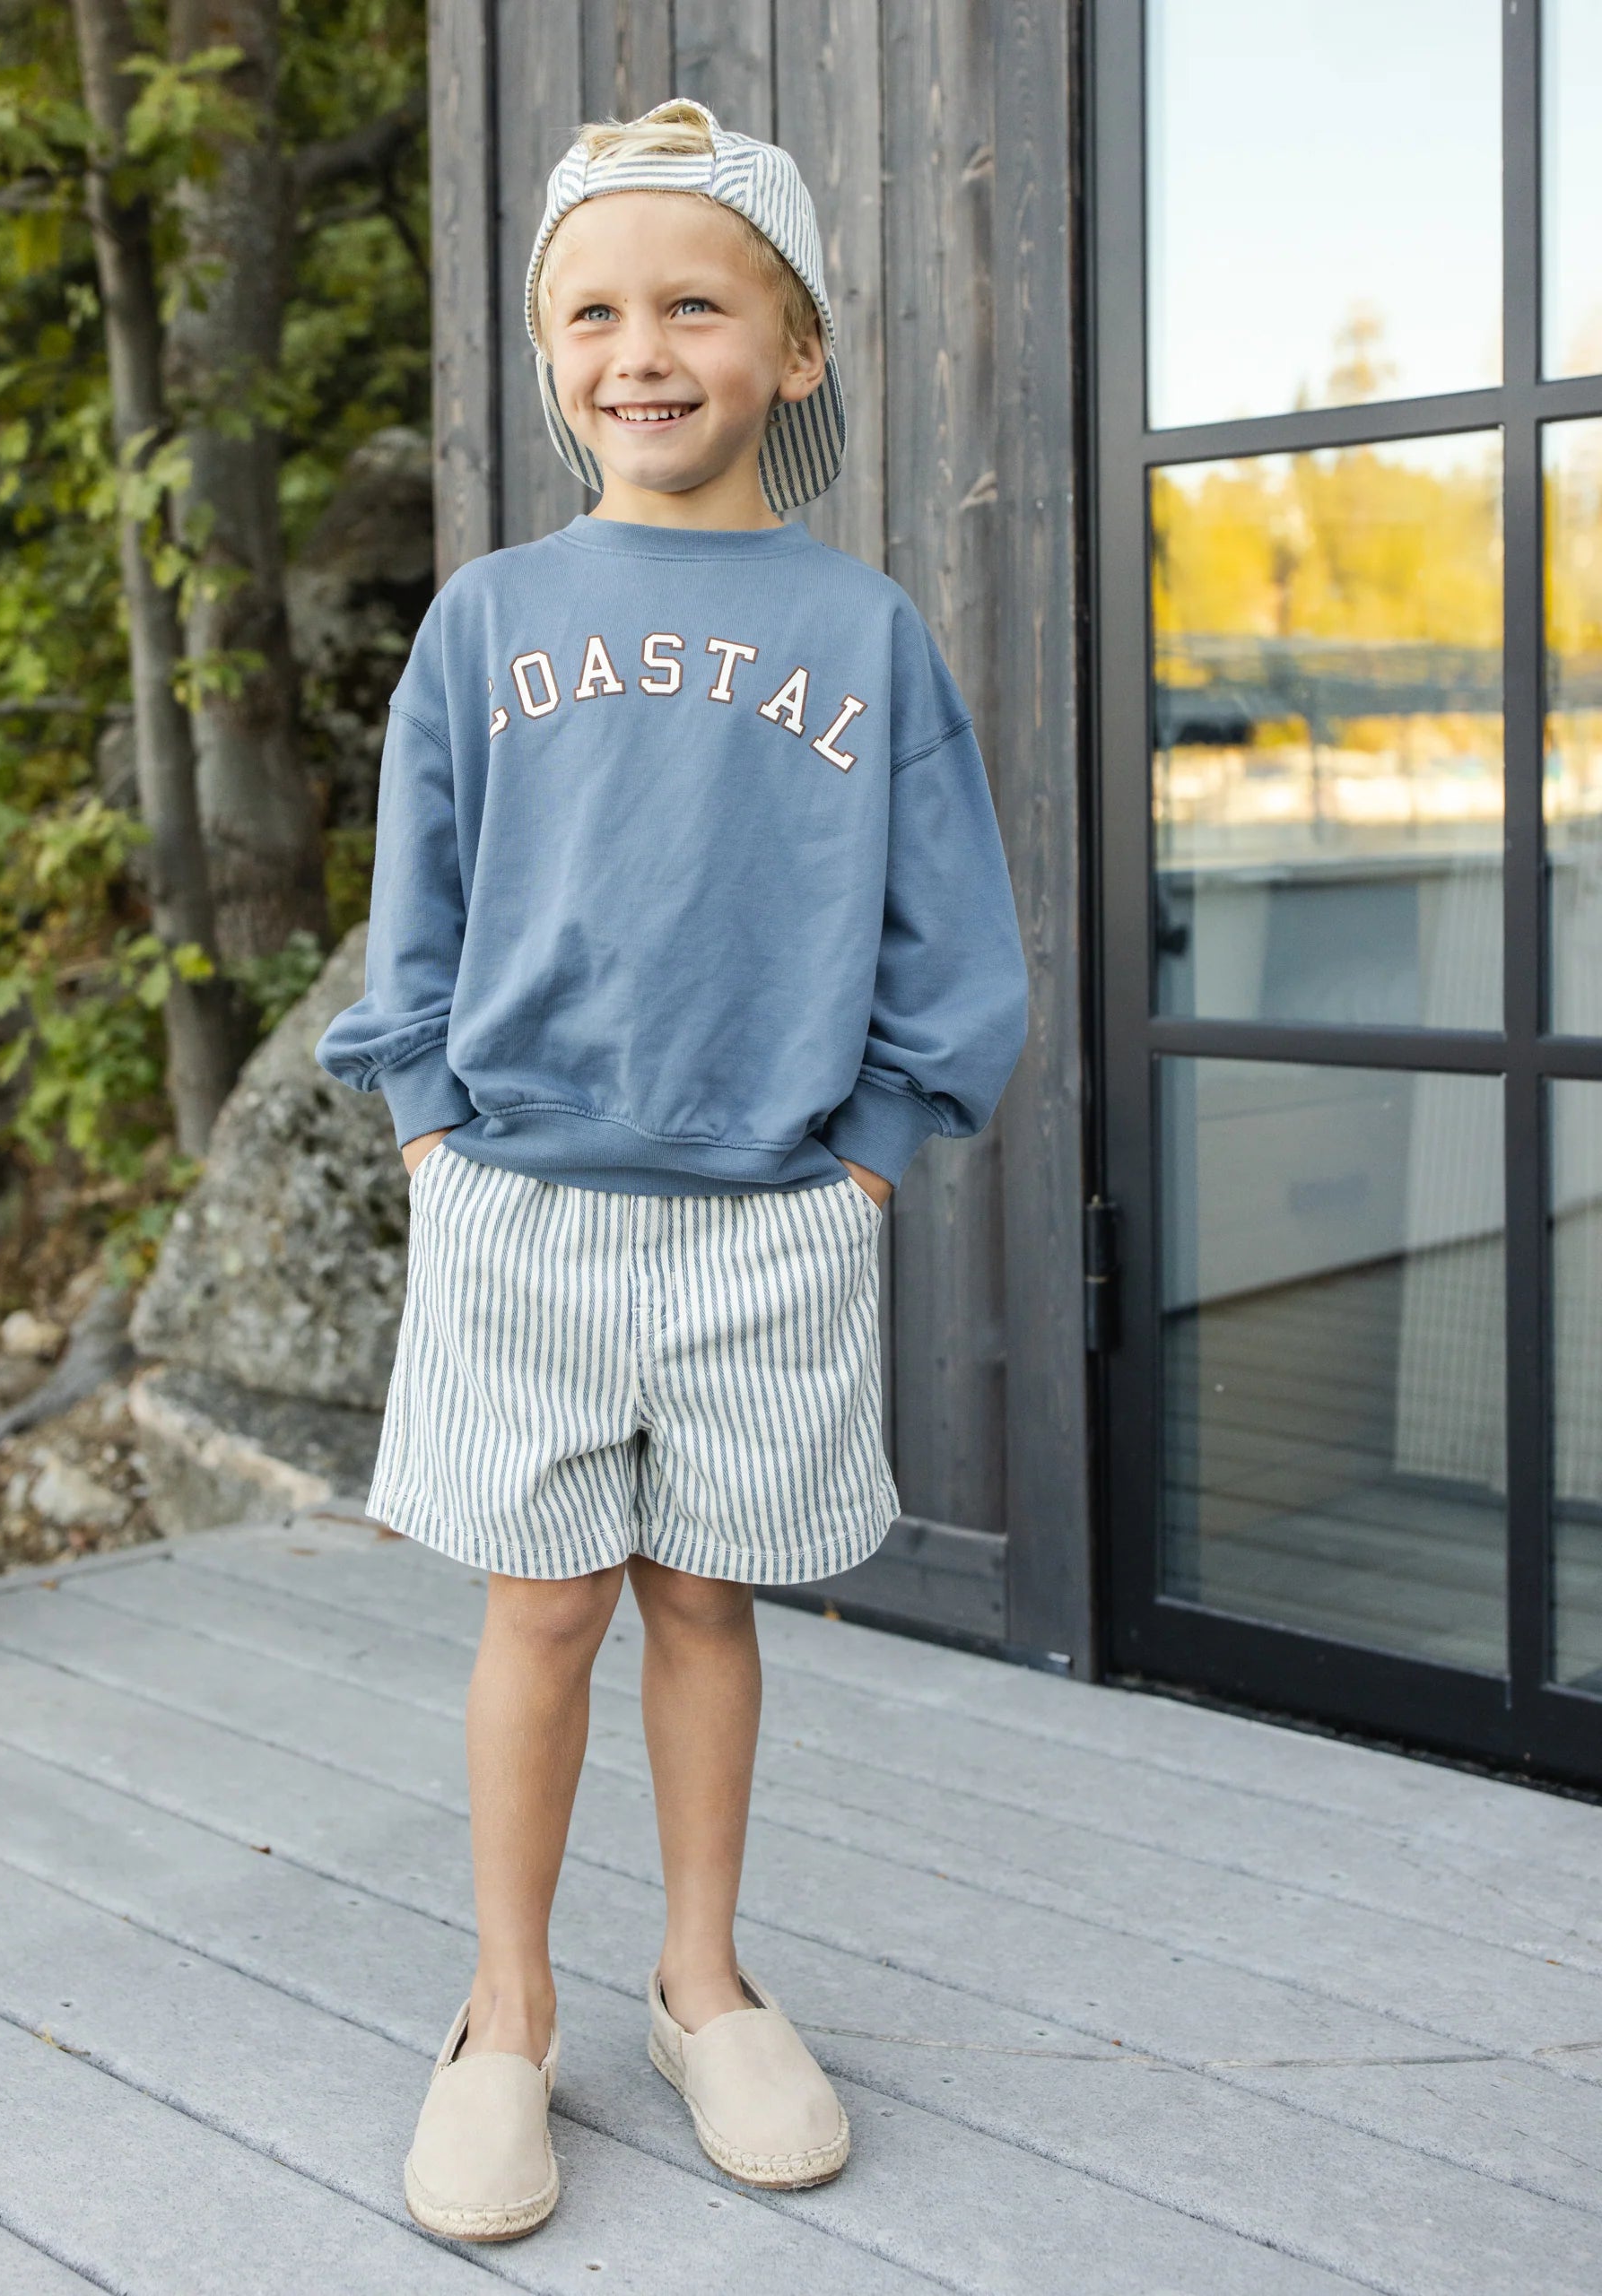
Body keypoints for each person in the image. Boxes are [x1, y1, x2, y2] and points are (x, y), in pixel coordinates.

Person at [315, 95, 1029, 2243]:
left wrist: (865, 1167)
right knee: (539, 1607)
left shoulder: (863, 635)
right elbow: (417, 913)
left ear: (793, 350)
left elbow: (947, 938)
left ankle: (700, 1978)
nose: (642, 350)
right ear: (552, 356)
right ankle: (505, 2011)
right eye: (595, 314)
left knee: (708, 1594)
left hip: (772, 1222)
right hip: (517, 1203)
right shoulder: (487, 620)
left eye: (696, 306)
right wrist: (432, 1132)